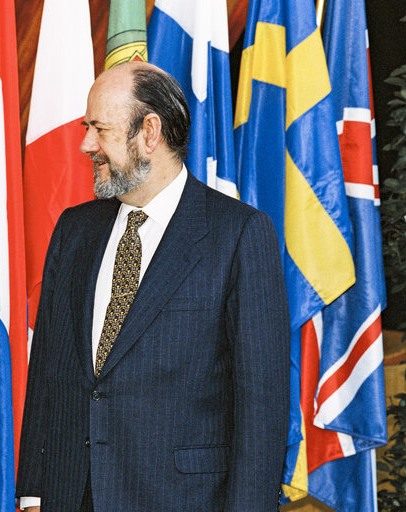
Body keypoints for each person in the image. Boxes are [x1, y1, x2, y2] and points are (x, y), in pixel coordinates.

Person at [17, 61, 289, 511]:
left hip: (182, 499)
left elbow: (260, 406)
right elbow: (48, 369)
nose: (85, 144)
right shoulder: (74, 229)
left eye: (99, 130)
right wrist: (32, 493)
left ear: (149, 132)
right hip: (72, 496)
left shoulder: (237, 234)